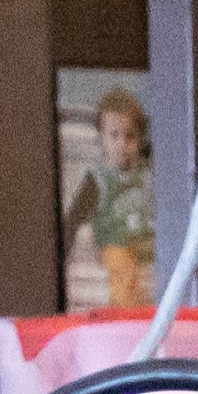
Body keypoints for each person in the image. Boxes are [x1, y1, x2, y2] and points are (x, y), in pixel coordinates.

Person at [62, 84, 158, 314]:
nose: (122, 145)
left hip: (143, 239)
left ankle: (139, 309)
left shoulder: (145, 173)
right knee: (123, 273)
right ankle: (128, 313)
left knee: (147, 274)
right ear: (102, 138)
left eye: (130, 136)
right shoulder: (97, 180)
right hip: (113, 242)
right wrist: (62, 252)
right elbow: (74, 218)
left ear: (140, 139)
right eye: (114, 135)